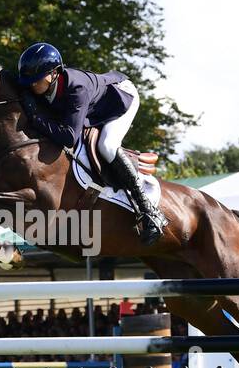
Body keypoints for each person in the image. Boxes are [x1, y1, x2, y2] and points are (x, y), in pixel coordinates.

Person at [16, 42, 168, 245]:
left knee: (107, 145)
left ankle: (149, 211)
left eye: (36, 80)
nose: (31, 85)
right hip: (96, 103)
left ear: (54, 73)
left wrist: (35, 117)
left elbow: (69, 137)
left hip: (120, 99)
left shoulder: (76, 88)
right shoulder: (41, 86)